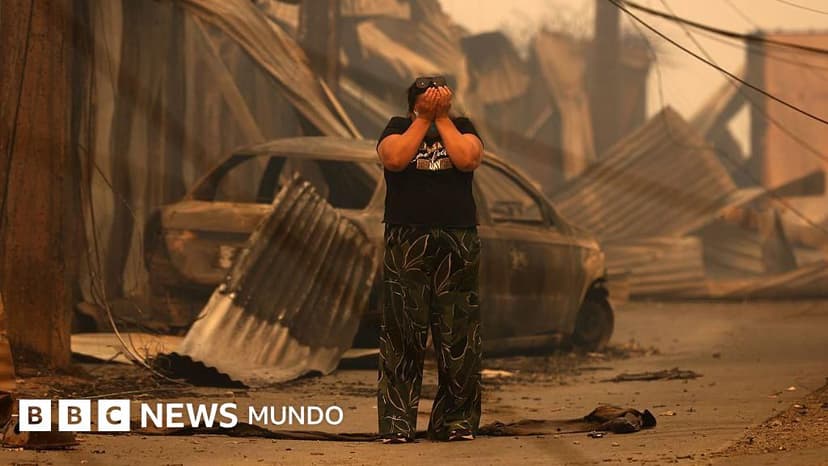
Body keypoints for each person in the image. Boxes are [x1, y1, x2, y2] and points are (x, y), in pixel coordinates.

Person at [374, 76, 485, 444]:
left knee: (459, 335)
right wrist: (423, 119)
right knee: (402, 333)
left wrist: (443, 119)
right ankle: (398, 425)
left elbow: (467, 159)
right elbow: (394, 159)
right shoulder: (398, 127)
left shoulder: (462, 128)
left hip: (458, 239)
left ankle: (455, 423)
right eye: (427, 95)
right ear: (413, 103)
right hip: (407, 239)